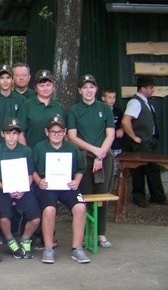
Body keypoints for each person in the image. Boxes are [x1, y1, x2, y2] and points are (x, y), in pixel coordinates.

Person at [32, 116, 89, 264]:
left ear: (64, 133)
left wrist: (76, 181)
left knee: (80, 208)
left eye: (60, 131)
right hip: (48, 185)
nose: (56, 134)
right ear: (47, 132)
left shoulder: (72, 148)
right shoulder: (39, 148)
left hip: (67, 184)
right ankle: (49, 248)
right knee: (49, 210)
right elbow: (32, 170)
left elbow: (81, 169)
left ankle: (77, 248)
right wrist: (39, 181)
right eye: (53, 131)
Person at [67, 74, 115, 248]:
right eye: (85, 87)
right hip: (83, 159)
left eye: (91, 87)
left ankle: (101, 233)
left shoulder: (105, 108)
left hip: (103, 159)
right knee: (85, 196)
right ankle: (86, 232)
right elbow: (72, 136)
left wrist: (100, 155)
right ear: (80, 90)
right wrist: (93, 151)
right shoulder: (74, 110)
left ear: (96, 89)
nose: (88, 90)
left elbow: (110, 134)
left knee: (101, 196)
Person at [0, 118, 41, 259]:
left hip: (23, 189)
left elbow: (30, 174)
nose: (11, 136)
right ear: (2, 134)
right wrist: (6, 187)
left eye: (14, 133)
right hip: (3, 188)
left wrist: (24, 189)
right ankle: (10, 240)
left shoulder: (26, 151)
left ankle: (25, 239)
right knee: (4, 217)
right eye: (8, 133)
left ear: (19, 134)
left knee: (36, 218)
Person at [121, 76, 167, 207]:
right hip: (141, 142)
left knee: (151, 168)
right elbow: (125, 121)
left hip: (149, 141)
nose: (153, 90)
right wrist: (134, 137)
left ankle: (156, 197)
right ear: (143, 88)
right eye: (151, 87)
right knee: (140, 169)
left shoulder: (145, 101)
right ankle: (139, 197)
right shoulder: (135, 102)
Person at [18, 69, 66, 147]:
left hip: (55, 155)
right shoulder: (27, 105)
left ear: (53, 87)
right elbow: (20, 133)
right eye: (42, 85)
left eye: (48, 85)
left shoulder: (59, 107)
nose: (45, 88)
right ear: (36, 88)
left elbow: (65, 134)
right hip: (33, 154)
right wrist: (27, 153)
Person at [0, 64, 26, 147]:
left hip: (17, 146)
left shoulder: (21, 100)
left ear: (12, 80)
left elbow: (22, 127)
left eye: (8, 77)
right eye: (2, 78)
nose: (5, 81)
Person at [101, 88, 125, 180]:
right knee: (105, 171)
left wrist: (122, 129)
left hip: (116, 145)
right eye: (109, 97)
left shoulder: (118, 112)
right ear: (103, 98)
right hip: (103, 145)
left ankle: (115, 192)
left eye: (114, 97)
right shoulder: (100, 111)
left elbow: (123, 124)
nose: (112, 100)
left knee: (116, 171)